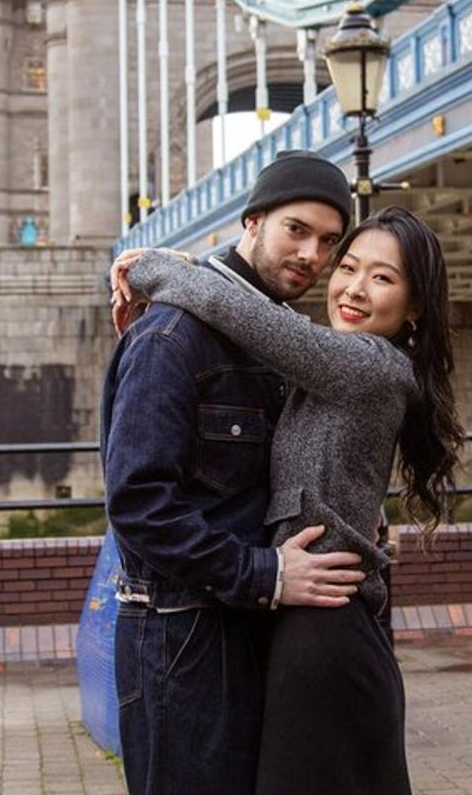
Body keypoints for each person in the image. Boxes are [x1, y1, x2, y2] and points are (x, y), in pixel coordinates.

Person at [114, 205, 464, 794]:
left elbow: (250, 317)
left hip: (323, 634)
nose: (353, 288)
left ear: (416, 306)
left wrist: (150, 265)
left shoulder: (368, 363)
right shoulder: (336, 366)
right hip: (305, 623)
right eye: (348, 267)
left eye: (381, 278)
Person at [100, 150, 370, 795]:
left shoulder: (276, 339)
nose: (312, 255)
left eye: (329, 242)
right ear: (253, 222)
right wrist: (267, 574)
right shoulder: (172, 335)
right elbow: (138, 504)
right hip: (182, 638)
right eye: (296, 230)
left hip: (253, 627)